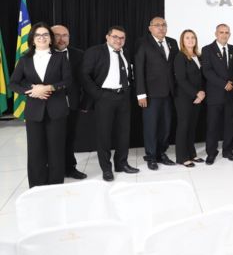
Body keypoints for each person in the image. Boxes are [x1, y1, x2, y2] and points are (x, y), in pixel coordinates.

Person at [10, 23, 72, 188]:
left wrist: (49, 87)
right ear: (32, 39)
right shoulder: (24, 59)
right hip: (34, 111)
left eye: (45, 34)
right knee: (35, 150)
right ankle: (37, 186)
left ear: (50, 39)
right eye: (38, 35)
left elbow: (67, 80)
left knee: (56, 149)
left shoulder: (60, 57)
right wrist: (31, 90)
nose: (42, 37)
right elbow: (13, 83)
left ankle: (55, 185)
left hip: (57, 110)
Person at [81, 25, 139, 182]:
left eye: (122, 38)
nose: (118, 40)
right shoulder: (95, 52)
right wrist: (98, 95)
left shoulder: (126, 52)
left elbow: (130, 73)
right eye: (115, 37)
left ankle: (121, 164)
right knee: (104, 135)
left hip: (123, 97)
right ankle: (106, 168)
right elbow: (85, 75)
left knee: (123, 133)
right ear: (107, 37)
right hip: (104, 97)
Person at [135, 17, 179, 170]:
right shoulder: (143, 43)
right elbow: (139, 69)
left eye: (164, 25)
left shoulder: (173, 42)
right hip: (151, 93)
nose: (161, 28)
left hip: (169, 93)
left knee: (166, 126)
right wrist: (141, 94)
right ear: (150, 28)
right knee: (151, 127)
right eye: (157, 25)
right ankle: (151, 156)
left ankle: (161, 153)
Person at [51, 24, 87, 179]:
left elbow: (85, 80)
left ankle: (70, 168)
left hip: (72, 103)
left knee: (70, 137)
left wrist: (84, 102)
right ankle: (53, 169)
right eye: (57, 35)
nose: (61, 39)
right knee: (53, 139)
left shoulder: (79, 54)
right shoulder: (44, 55)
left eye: (65, 35)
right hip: (50, 105)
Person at [201, 24, 233, 165]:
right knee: (213, 126)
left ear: (230, 34)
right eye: (221, 32)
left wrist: (232, 82)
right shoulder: (207, 49)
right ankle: (211, 152)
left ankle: (228, 151)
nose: (224, 35)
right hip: (215, 94)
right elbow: (207, 71)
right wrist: (224, 84)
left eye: (226, 32)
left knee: (229, 125)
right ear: (216, 34)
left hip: (230, 95)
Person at [173, 29, 206, 167]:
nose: (190, 40)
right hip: (184, 97)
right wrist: (196, 93)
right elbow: (181, 80)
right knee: (184, 126)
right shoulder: (180, 56)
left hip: (198, 97)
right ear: (182, 40)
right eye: (187, 38)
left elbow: (202, 77)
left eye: (193, 37)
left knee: (192, 127)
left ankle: (192, 154)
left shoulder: (198, 56)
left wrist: (202, 93)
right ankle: (182, 157)